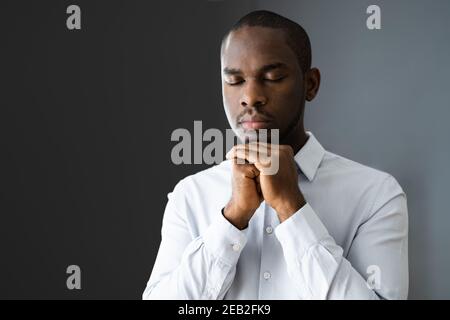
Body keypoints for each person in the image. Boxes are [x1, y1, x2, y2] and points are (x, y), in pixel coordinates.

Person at [142, 10, 408, 300]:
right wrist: (232, 217)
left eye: (272, 77)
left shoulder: (376, 195)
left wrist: (291, 207)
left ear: (310, 85)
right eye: (234, 81)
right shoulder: (190, 195)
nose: (251, 96)